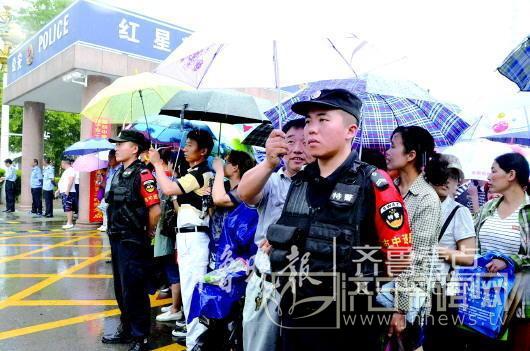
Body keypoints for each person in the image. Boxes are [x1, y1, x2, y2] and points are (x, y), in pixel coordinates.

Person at [266, 89, 409, 350]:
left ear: (350, 130)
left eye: (323, 119)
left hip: (347, 328)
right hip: (294, 319)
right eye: (308, 121)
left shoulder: (375, 183)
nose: (311, 129)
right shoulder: (300, 181)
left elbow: (398, 258)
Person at [237, 117, 311, 351]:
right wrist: (269, 163)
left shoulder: (324, 186)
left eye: (306, 141)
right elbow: (245, 193)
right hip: (267, 282)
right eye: (290, 141)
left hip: (305, 287)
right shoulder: (270, 179)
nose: (298, 149)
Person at [148, 129, 214, 350]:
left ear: (203, 151)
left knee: (193, 289)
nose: (184, 149)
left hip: (195, 238)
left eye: (189, 145)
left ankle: (196, 341)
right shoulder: (197, 173)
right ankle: (194, 337)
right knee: (188, 288)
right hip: (188, 236)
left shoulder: (201, 173)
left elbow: (167, 189)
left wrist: (156, 163)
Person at [101, 130, 161, 351]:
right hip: (116, 238)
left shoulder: (143, 174)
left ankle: (141, 337)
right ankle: (126, 329)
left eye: (121, 144)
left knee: (134, 290)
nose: (116, 148)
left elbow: (155, 210)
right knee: (121, 288)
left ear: (134, 148)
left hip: (134, 240)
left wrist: (147, 233)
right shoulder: (118, 173)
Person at [385, 126, 442, 350]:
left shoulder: (426, 199)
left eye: (393, 146)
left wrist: (400, 309)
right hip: (381, 289)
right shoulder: (388, 190)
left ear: (411, 156)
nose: (387, 152)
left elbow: (414, 257)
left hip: (408, 299)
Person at [470, 153, 530, 351]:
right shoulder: (489, 207)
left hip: (518, 302)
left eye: (494, 171)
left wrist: (509, 261)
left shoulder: (528, 212)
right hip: (484, 299)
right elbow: (474, 245)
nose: (489, 176)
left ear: (511, 174)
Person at [422, 154, 476, 351]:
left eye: (453, 176)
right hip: (414, 286)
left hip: (442, 292)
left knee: (438, 342)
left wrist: (434, 250)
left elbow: (468, 257)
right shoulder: (417, 205)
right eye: (444, 174)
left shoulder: (459, 211)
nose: (447, 181)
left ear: (458, 181)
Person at [209, 150, 256, 267]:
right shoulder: (227, 189)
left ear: (235, 167)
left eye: (226, 162)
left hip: (234, 248)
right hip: (217, 246)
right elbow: (214, 216)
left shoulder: (244, 190)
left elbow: (219, 199)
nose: (224, 164)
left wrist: (219, 170)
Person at [153, 148, 184, 325]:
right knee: (170, 267)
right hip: (168, 229)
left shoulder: (174, 183)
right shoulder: (173, 181)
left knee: (172, 268)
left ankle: (175, 308)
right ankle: (175, 305)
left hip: (170, 231)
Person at [97, 150, 119, 232]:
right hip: (107, 195)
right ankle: (106, 225)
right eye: (108, 158)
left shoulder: (120, 169)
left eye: (111, 158)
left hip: (115, 197)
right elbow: (105, 184)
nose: (109, 160)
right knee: (105, 212)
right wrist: (101, 179)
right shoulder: (110, 170)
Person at [55, 158, 76, 229]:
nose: (61, 165)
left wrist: (67, 191)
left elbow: (70, 181)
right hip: (65, 191)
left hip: (69, 192)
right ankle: (69, 222)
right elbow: (63, 182)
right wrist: (58, 190)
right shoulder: (67, 171)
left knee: (68, 207)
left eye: (61, 163)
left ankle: (69, 223)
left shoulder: (71, 170)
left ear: (64, 163)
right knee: (67, 207)